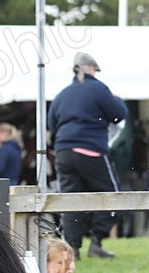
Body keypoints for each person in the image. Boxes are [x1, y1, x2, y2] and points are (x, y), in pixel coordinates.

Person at [47, 52, 128, 259]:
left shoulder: (62, 94)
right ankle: (96, 241)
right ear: (91, 68)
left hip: (64, 152)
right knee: (111, 195)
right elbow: (118, 115)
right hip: (91, 150)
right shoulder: (98, 88)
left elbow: (51, 124)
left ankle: (72, 249)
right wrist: (117, 100)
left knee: (71, 200)